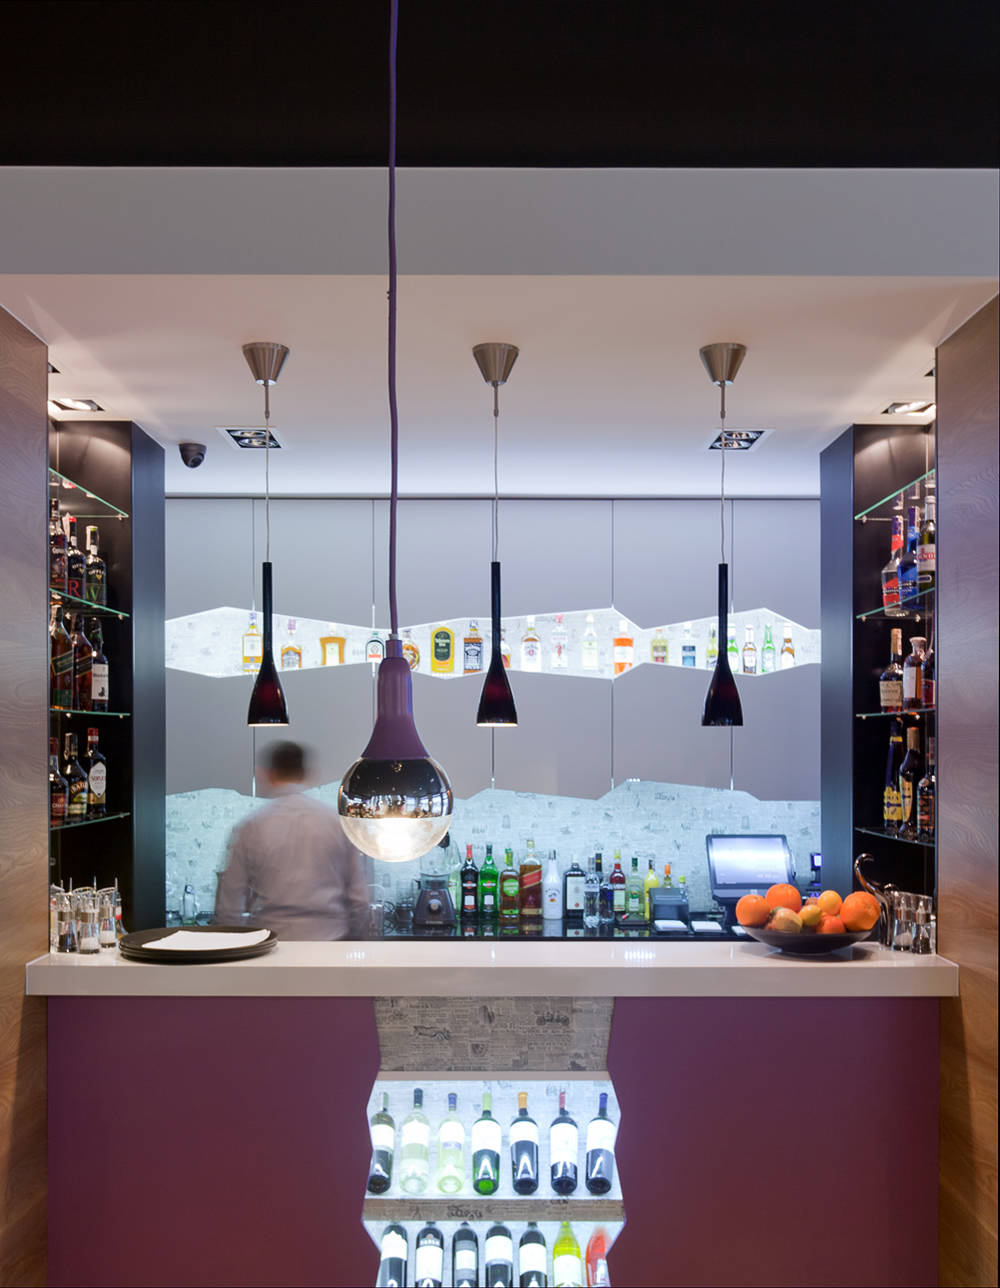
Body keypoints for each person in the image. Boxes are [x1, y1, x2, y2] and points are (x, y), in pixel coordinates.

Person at [214, 740, 370, 940]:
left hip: (273, 942)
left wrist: (234, 946)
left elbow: (231, 900)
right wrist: (356, 940)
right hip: (329, 941)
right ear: (306, 774)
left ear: (269, 774)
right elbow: (359, 898)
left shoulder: (251, 826)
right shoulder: (336, 822)